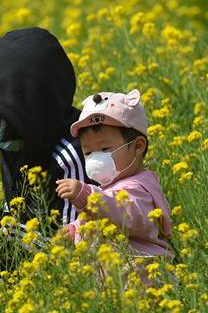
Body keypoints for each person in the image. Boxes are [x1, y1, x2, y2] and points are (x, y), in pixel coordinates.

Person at [0, 27, 98, 263]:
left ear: (32, 102)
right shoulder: (19, 145)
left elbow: (68, 255)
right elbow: (22, 235)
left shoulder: (76, 154)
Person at [55, 89, 177, 288]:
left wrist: (87, 197)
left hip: (145, 284)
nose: (95, 158)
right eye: (88, 152)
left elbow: (123, 213)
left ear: (137, 147)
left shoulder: (139, 188)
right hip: (117, 285)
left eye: (105, 149)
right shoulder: (108, 190)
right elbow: (97, 218)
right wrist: (74, 230)